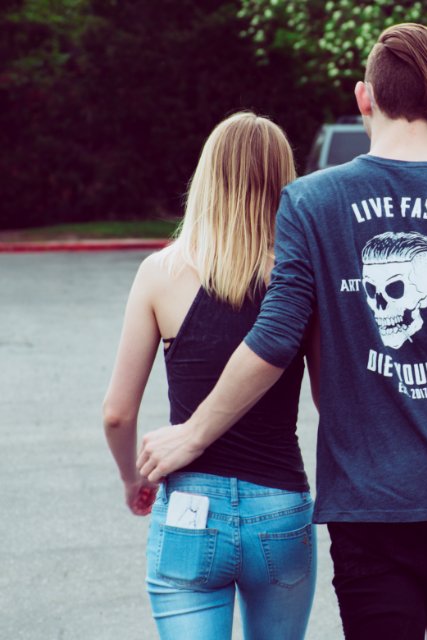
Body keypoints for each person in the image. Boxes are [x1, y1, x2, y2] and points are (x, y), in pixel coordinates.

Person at [135, 23, 427, 640]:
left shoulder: (311, 203)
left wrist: (194, 434)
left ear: (363, 97)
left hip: (368, 506)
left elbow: (275, 338)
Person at [103, 112, 316, 640]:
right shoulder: (297, 276)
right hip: (281, 510)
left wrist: (134, 477)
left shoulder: (162, 273)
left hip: (191, 506)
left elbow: (117, 413)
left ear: (207, 177)